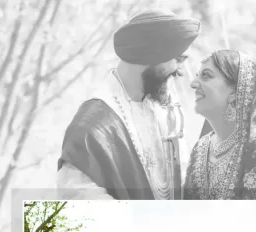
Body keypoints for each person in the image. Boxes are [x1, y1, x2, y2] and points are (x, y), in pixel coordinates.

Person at [57, 10, 200, 200]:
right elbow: (78, 211)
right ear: (152, 56)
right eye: (177, 60)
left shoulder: (163, 109)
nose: (180, 71)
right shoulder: (91, 128)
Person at [184, 51, 256, 199]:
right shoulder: (201, 148)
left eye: (206, 75)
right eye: (197, 75)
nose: (194, 84)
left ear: (235, 92)